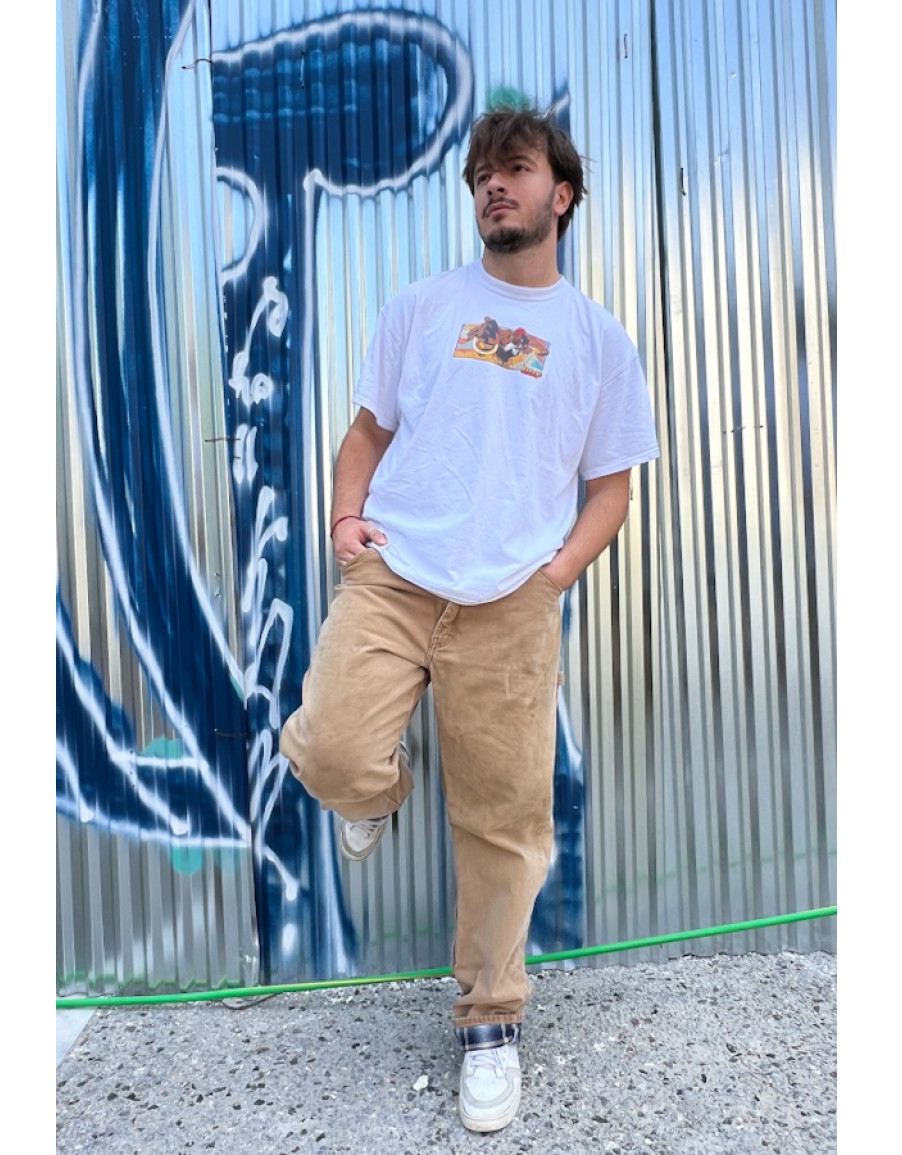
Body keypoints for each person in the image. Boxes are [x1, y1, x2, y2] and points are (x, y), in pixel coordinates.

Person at [280, 104, 660, 1133]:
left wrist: (551, 577)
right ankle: (375, 791)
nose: (495, 184)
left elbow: (611, 490)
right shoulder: (421, 307)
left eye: (517, 168)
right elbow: (367, 431)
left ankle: (489, 1022)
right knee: (331, 749)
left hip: (511, 602)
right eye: (484, 173)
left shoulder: (598, 340)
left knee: (504, 822)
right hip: (398, 576)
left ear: (560, 195)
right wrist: (346, 519)